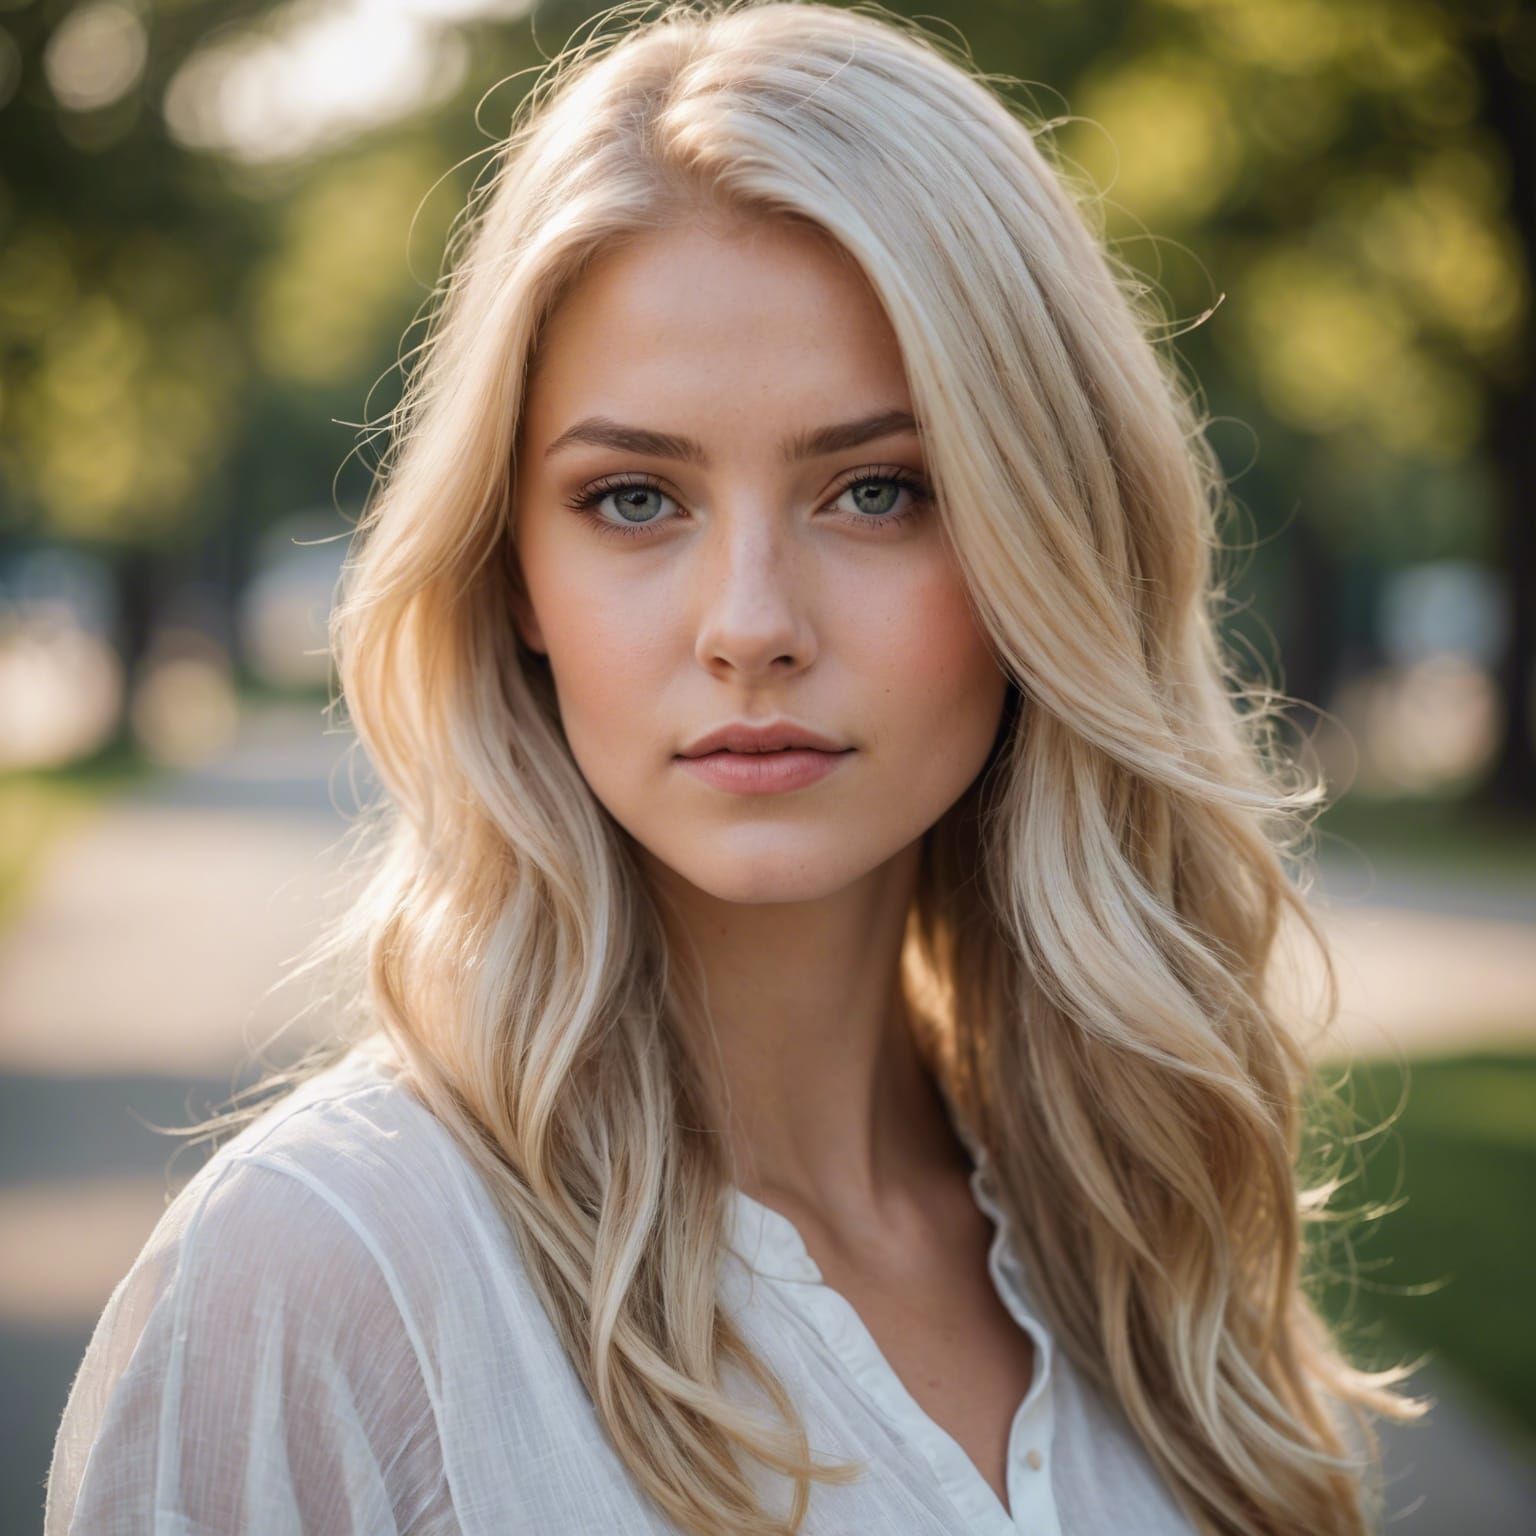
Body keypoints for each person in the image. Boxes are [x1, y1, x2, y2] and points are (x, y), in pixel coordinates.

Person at [43, 2, 1428, 1533]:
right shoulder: (323, 1277)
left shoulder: (1144, 1241)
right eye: (634, 498)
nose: (752, 626)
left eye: (878, 491)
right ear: (511, 569)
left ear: (1050, 538)